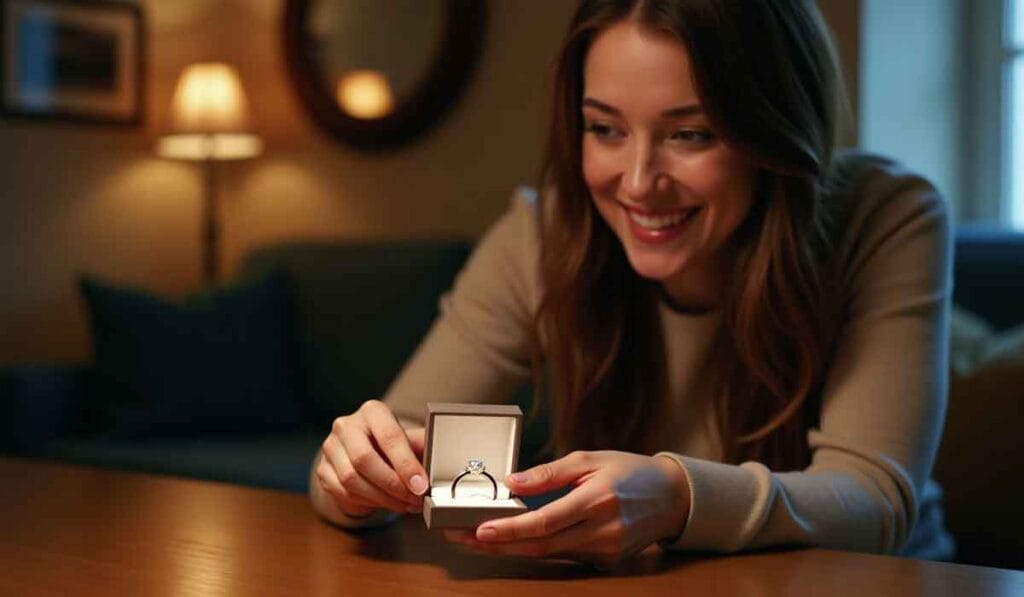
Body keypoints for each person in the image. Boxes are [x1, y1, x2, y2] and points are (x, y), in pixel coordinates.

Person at [309, 0, 955, 566]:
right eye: (605, 129)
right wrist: (352, 475)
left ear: (775, 126)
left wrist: (677, 497)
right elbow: (363, 465)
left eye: (691, 134)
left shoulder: (888, 217)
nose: (640, 182)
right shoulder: (545, 232)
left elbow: (874, 502)